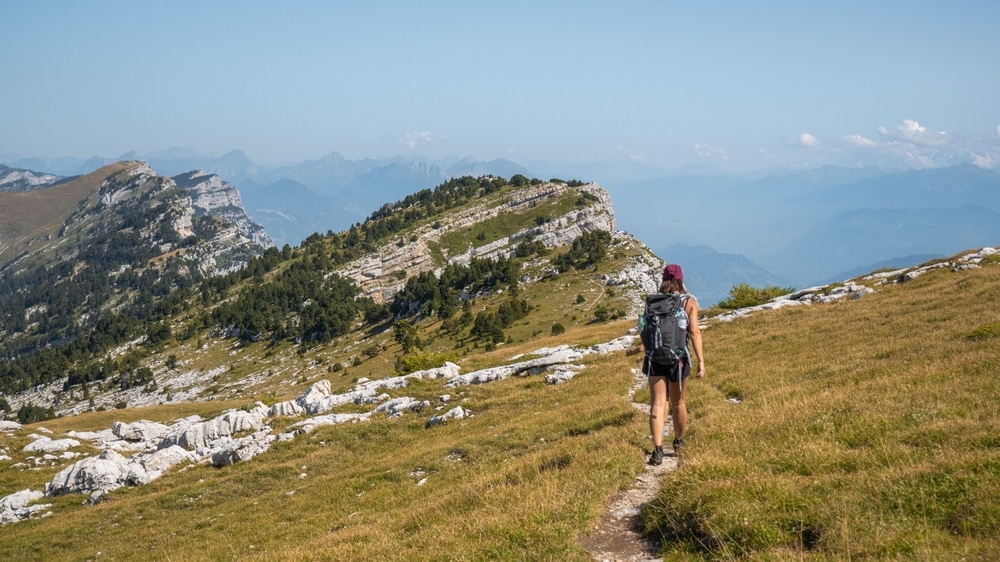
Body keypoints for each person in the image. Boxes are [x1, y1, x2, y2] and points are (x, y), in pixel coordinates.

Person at [638, 263, 705, 466]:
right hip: (679, 360)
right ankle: (678, 441)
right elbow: (694, 332)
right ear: (681, 279)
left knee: (658, 403)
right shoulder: (689, 302)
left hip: (655, 359)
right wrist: (701, 361)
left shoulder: (653, 302)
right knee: (678, 403)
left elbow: (645, 330)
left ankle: (657, 449)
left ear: (663, 279)